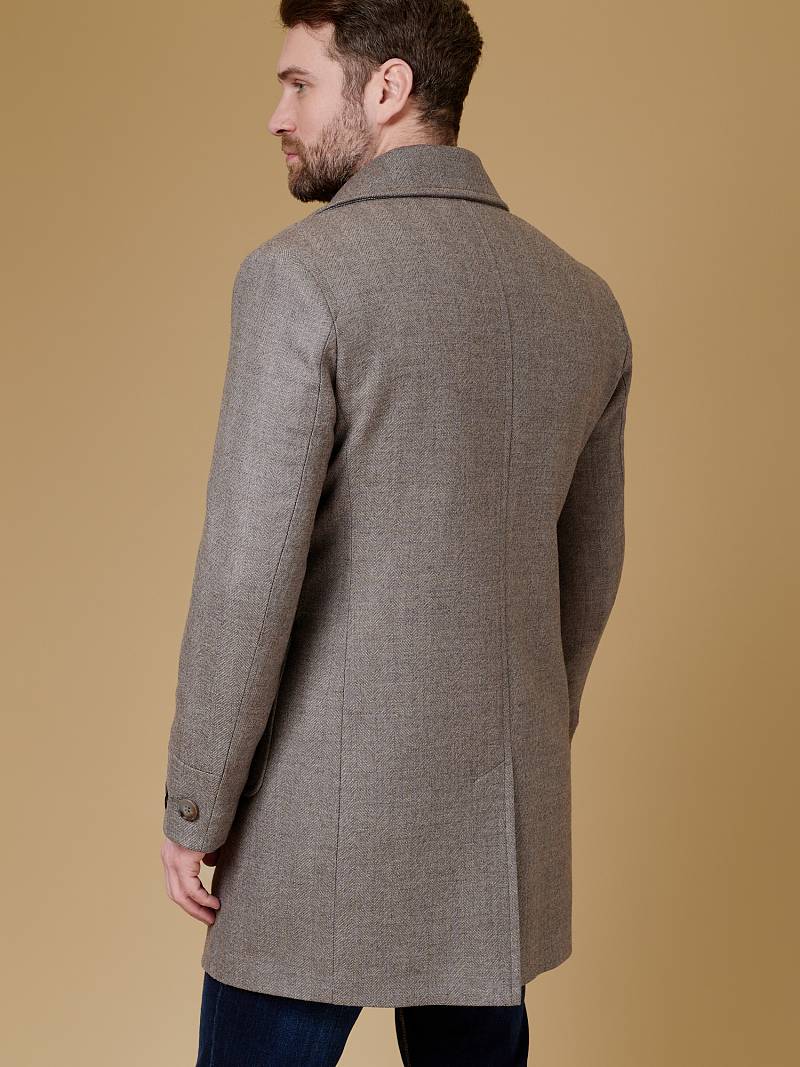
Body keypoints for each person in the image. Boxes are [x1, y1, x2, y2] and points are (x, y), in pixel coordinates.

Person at [160, 2, 633, 1064]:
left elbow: (247, 575)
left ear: (387, 88)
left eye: (298, 83)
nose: (276, 115)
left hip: (310, 831)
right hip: (491, 840)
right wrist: (512, 749)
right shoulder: (583, 303)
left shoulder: (300, 276)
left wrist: (198, 804)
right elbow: (589, 570)